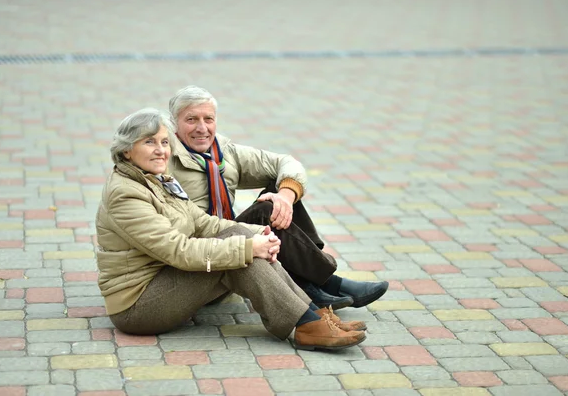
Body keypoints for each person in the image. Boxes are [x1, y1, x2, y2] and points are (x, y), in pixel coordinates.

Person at [95, 108, 368, 351]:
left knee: (241, 241)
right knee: (238, 257)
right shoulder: (126, 194)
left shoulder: (158, 179)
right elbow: (178, 250)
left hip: (164, 278)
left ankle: (312, 317)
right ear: (126, 151)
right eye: (149, 142)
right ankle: (306, 324)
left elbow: (204, 223)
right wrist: (247, 247)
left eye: (165, 142)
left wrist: (255, 234)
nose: (161, 150)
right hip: (138, 304)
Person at [168, 85, 389, 310]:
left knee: (279, 190)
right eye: (191, 119)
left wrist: (285, 195)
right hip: (204, 256)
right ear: (174, 123)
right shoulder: (165, 159)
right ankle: (327, 282)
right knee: (266, 211)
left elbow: (286, 163)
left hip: (231, 237)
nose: (202, 128)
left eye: (209, 119)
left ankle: (310, 283)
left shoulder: (223, 152)